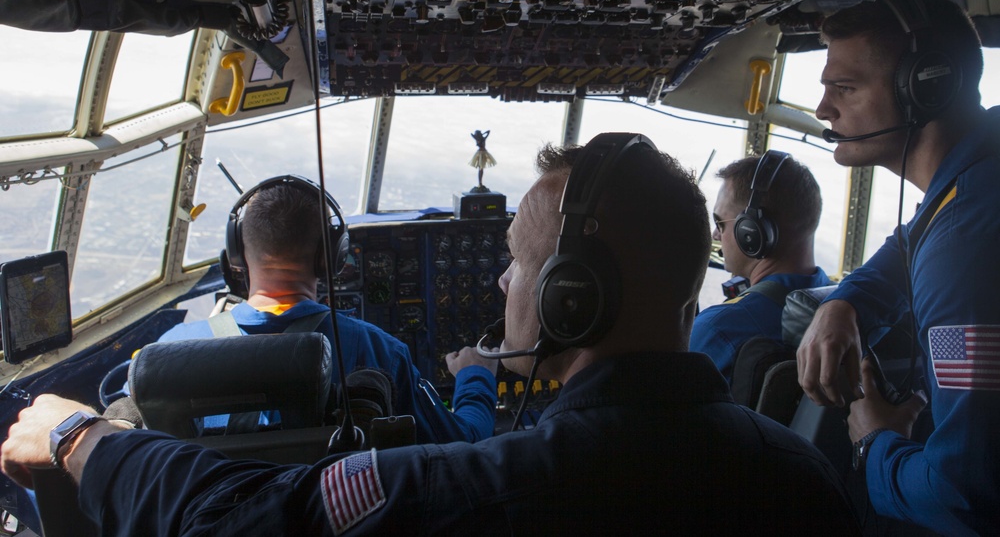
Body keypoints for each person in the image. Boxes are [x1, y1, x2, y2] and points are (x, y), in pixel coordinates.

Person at [1, 134, 860, 536]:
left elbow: (258, 518)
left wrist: (80, 435)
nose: (498, 283)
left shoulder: (493, 486)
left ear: (571, 297)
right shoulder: (804, 479)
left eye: (517, 265)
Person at [796, 0, 1000, 535]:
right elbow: (908, 242)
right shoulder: (980, 169)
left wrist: (873, 442)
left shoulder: (964, 250)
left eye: (845, 88)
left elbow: (967, 496)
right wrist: (843, 304)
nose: (823, 110)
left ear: (925, 87)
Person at [151, 176, 498, 445]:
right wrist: (476, 375)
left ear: (237, 255)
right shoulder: (379, 351)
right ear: (331, 257)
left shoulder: (169, 352)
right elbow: (464, 441)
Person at [690, 151, 829, 383]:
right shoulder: (845, 307)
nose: (715, 234)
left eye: (720, 222)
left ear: (752, 232)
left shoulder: (719, 328)